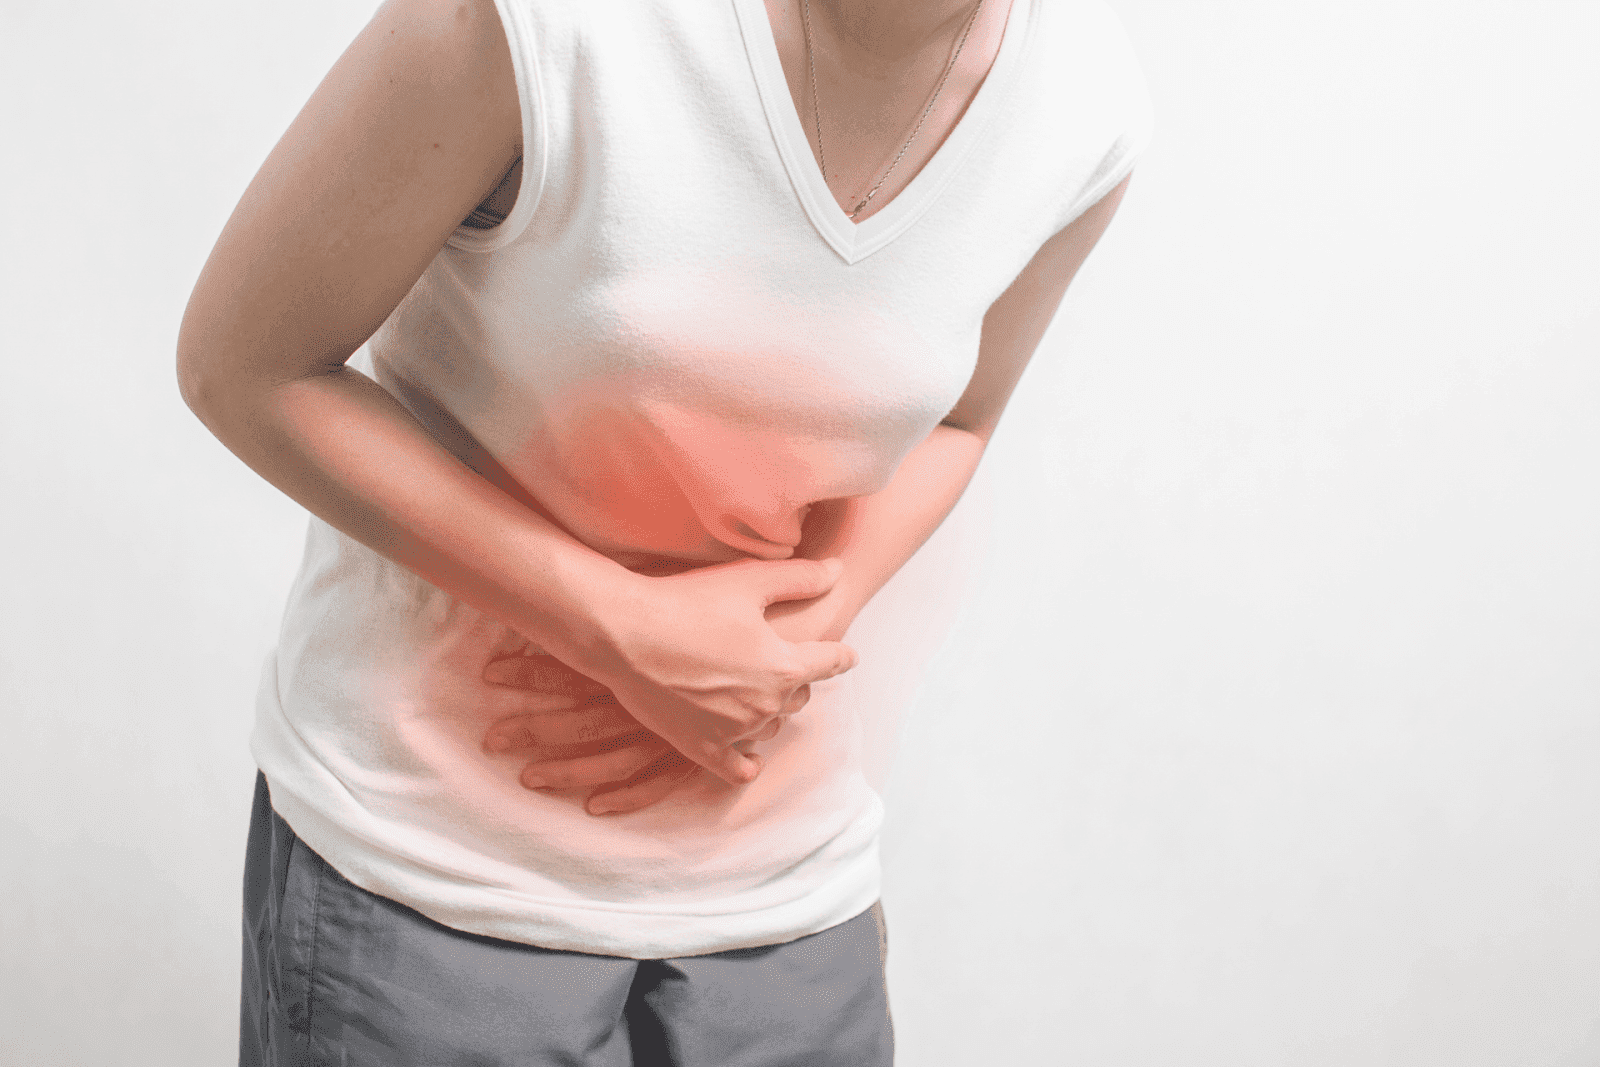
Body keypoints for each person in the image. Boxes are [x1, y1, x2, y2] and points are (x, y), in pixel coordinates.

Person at [178, 0, 1152, 1061]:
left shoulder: (1084, 101)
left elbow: (959, 417)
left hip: (784, 883)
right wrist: (616, 625)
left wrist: (783, 637)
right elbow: (247, 364)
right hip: (437, 864)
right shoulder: (537, 25)